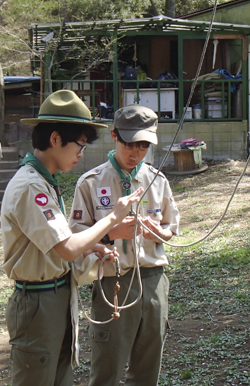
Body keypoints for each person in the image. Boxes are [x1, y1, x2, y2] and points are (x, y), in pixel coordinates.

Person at [1, 89, 143, 386]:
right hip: (38, 300)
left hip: (56, 295)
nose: (81, 154)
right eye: (79, 145)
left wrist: (93, 249)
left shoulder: (44, 182)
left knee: (60, 376)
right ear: (55, 139)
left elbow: (56, 245)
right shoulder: (31, 186)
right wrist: (112, 220)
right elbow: (66, 248)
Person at [70, 104, 180, 386]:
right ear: (114, 136)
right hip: (113, 282)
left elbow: (171, 226)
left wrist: (161, 234)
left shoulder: (157, 181)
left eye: (143, 145)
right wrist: (110, 233)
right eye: (130, 144)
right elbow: (74, 238)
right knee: (107, 368)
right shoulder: (91, 183)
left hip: (154, 281)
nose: (136, 153)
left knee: (147, 368)